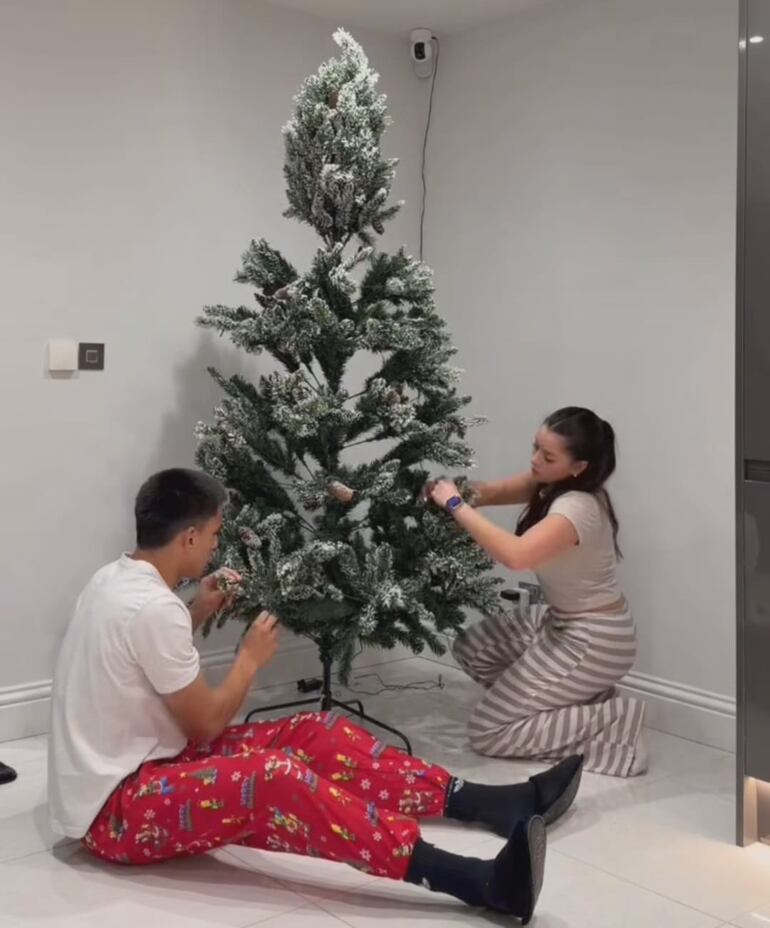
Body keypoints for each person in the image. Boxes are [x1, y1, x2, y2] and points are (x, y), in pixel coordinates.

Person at [48, 468, 586, 924]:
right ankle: (477, 880)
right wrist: (249, 661)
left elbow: (146, 655)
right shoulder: (150, 607)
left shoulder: (117, 580)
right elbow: (205, 726)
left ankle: (489, 802)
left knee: (316, 733)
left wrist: (198, 611)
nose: (217, 543)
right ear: (188, 537)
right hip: (115, 811)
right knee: (275, 779)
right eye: (213, 533)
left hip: (146, 766)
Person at [426, 407, 646, 778]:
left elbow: (516, 556)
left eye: (547, 457)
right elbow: (492, 491)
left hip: (593, 638)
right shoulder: (553, 482)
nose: (535, 461)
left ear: (579, 467)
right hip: (559, 620)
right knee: (471, 648)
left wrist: (454, 504)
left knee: (487, 732)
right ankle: (557, 704)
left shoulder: (576, 506)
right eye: (536, 449)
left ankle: (612, 724)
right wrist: (447, 490)